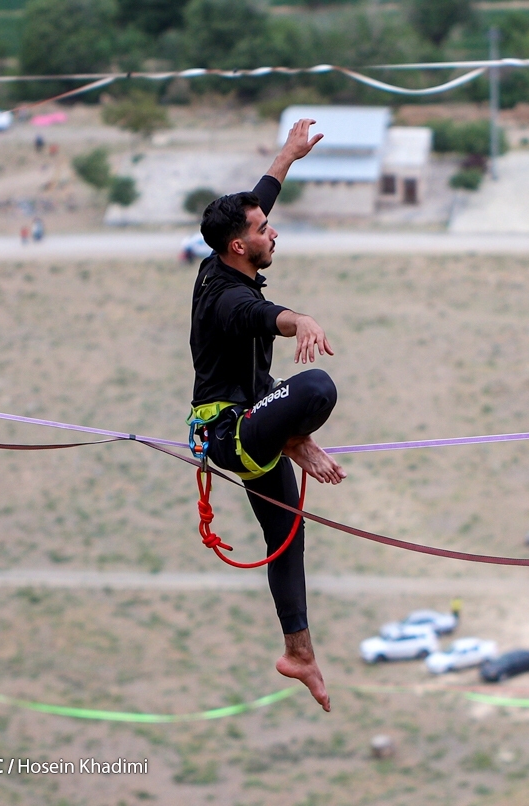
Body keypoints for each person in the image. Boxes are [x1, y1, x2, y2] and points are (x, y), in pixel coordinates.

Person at [190, 118, 344, 713]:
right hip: (232, 433)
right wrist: (301, 320)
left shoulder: (223, 261)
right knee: (316, 386)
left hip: (251, 422)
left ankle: (299, 654)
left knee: (286, 541)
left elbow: (259, 197)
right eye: (262, 230)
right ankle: (292, 437)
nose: (272, 232)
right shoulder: (229, 299)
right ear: (239, 247)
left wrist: (287, 155)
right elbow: (264, 318)